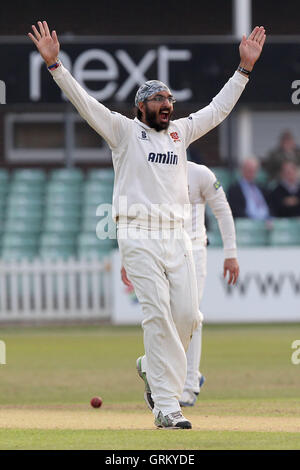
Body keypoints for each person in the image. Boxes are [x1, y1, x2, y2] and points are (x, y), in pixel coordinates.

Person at [28, 21, 266, 429]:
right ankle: (166, 406)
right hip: (137, 234)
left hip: (178, 237)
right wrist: (55, 66)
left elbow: (218, 108)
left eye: (169, 98)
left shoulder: (180, 133)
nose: (166, 104)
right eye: (158, 99)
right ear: (142, 107)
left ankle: (149, 367)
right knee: (157, 315)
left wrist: (243, 70)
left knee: (189, 317)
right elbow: (86, 103)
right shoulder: (123, 132)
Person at [122, 161, 239, 408]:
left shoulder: (200, 173)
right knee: (163, 316)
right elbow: (137, 214)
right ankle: (159, 370)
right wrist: (128, 257)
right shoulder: (151, 171)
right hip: (159, 247)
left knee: (190, 315)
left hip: (194, 249)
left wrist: (231, 253)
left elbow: (222, 210)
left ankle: (188, 385)